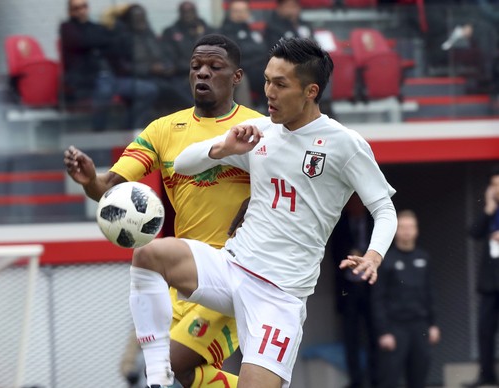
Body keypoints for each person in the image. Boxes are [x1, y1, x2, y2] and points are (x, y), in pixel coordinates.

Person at [128, 37, 397, 387]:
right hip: (230, 267)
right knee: (149, 254)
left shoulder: (344, 143)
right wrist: (221, 147)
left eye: (280, 84)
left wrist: (374, 255)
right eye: (267, 80)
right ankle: (157, 374)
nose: (268, 91)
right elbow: (182, 164)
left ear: (310, 91)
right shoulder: (261, 134)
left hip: (279, 294)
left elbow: (384, 209)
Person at [64, 34, 263, 387]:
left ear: (236, 76)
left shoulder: (258, 129)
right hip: (185, 271)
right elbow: (110, 190)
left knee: (170, 361)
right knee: (181, 373)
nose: (202, 73)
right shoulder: (163, 130)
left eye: (214, 67)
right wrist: (89, 180)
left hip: (237, 270)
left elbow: (284, 188)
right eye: (196, 66)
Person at [60, 0, 158, 131]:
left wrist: (104, 37)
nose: (81, 10)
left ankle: (129, 129)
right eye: (76, 8)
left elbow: (113, 42)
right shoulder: (67, 28)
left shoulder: (95, 27)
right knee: (104, 92)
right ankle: (98, 134)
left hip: (112, 78)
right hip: (88, 81)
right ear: (70, 11)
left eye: (84, 6)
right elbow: (82, 41)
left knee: (149, 90)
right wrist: (102, 40)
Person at [371, 210, 440, 388]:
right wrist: (383, 331)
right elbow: (377, 298)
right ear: (395, 230)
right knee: (389, 379)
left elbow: (430, 293)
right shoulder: (386, 260)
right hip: (395, 328)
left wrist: (433, 324)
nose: (407, 231)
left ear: (417, 230)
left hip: (420, 326)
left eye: (411, 227)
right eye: (402, 227)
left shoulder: (424, 258)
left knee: (419, 378)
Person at [330, 194, 378, 388]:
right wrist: (350, 256)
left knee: (375, 335)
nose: (356, 205)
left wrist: (364, 255)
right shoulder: (340, 222)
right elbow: (333, 253)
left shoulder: (372, 221)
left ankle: (375, 379)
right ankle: (356, 381)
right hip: (348, 287)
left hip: (371, 286)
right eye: (352, 201)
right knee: (350, 337)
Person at [116, 4, 193, 112]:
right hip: (140, 78)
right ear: (130, 20)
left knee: (187, 84)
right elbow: (123, 66)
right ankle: (198, 113)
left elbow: (164, 53)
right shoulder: (125, 39)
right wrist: (149, 68)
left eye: (142, 17)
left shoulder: (149, 34)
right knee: (172, 89)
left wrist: (168, 66)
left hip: (163, 75)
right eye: (137, 18)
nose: (141, 21)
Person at [463, 167, 499, 388]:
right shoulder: (490, 210)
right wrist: (488, 208)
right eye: (494, 184)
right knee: (485, 330)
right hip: (490, 283)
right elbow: (474, 232)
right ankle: (487, 374)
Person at [219, 0, 268, 110]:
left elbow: (263, 50)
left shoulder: (252, 31)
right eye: (236, 11)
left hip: (259, 69)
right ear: (229, 13)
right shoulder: (224, 32)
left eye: (243, 11)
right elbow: (236, 54)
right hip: (242, 69)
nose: (240, 14)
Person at [162, 2, 216, 91]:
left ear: (196, 13)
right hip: (182, 75)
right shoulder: (170, 32)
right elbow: (171, 59)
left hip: (209, 71)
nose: (188, 15)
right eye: (184, 12)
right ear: (180, 13)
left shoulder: (208, 30)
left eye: (190, 12)